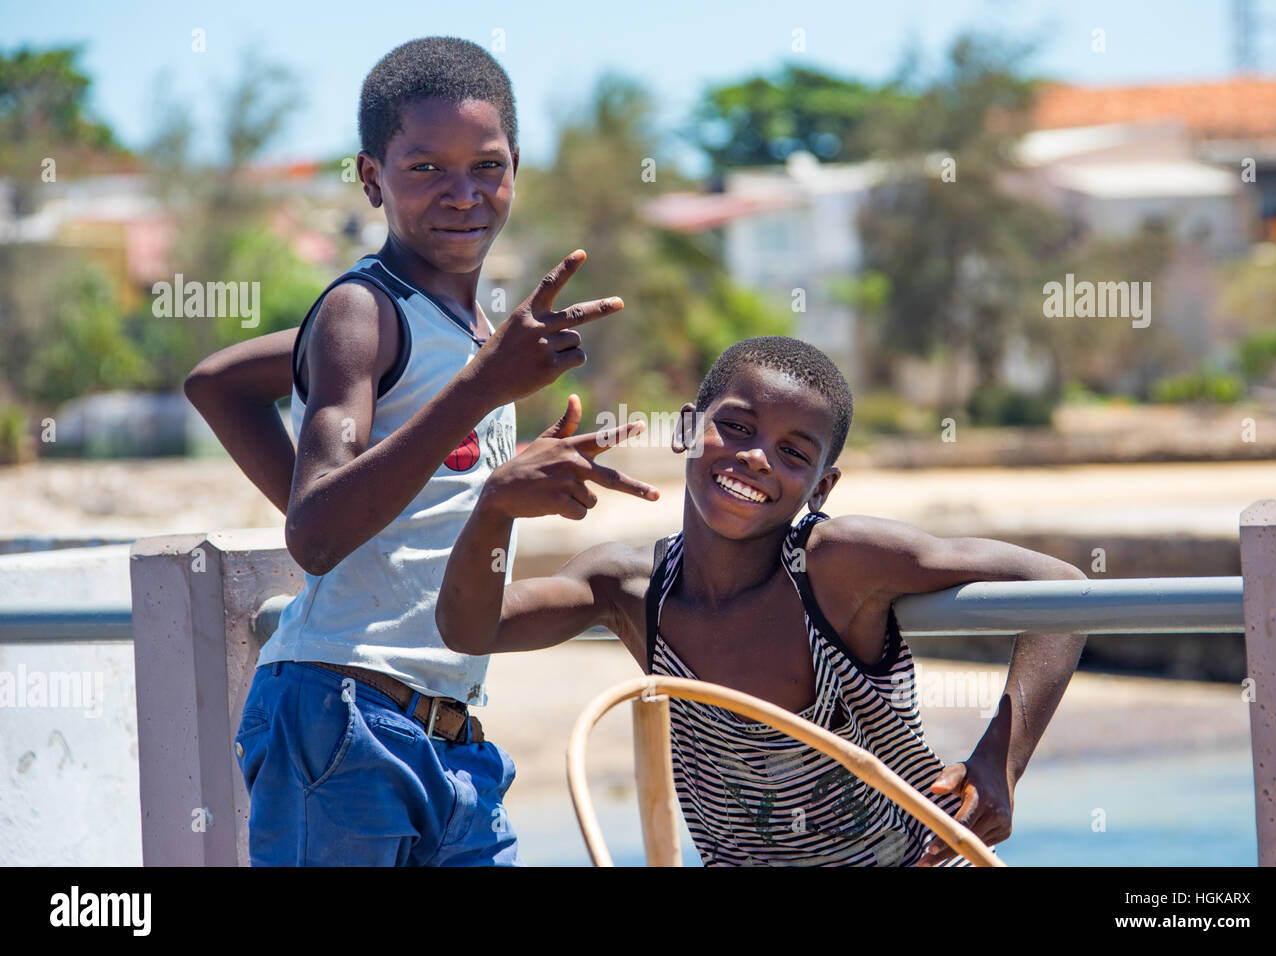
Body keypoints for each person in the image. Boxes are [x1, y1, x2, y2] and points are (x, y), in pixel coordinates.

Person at [184, 36, 649, 865]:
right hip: (343, 720)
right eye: (426, 168)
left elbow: (218, 382)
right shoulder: (364, 310)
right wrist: (480, 389)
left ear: (517, 168)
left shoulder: (465, 332)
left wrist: (501, 469)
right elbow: (316, 536)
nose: (463, 193)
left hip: (455, 739)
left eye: (488, 165)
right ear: (372, 179)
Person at [436, 336, 1088, 867]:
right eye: (736, 427)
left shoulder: (837, 565)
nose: (755, 458)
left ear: (822, 486)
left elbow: (1059, 587)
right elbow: (471, 628)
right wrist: (495, 505)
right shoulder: (630, 587)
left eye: (792, 452)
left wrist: (998, 763)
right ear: (687, 429)